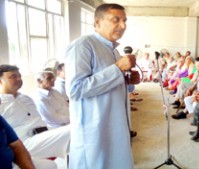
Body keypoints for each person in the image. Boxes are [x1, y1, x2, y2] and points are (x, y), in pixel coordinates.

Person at [64, 3, 140, 169]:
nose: (123, 25)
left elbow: (107, 84)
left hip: (115, 122)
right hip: (95, 127)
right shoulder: (82, 46)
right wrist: (118, 69)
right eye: (116, 20)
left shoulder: (114, 50)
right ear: (97, 23)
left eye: (125, 21)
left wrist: (127, 80)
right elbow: (75, 90)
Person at [0, 64, 70, 168]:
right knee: (73, 130)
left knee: (51, 165)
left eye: (19, 76)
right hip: (24, 143)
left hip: (43, 136)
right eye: (13, 76)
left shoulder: (26, 98)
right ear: (1, 81)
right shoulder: (2, 104)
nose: (19, 79)